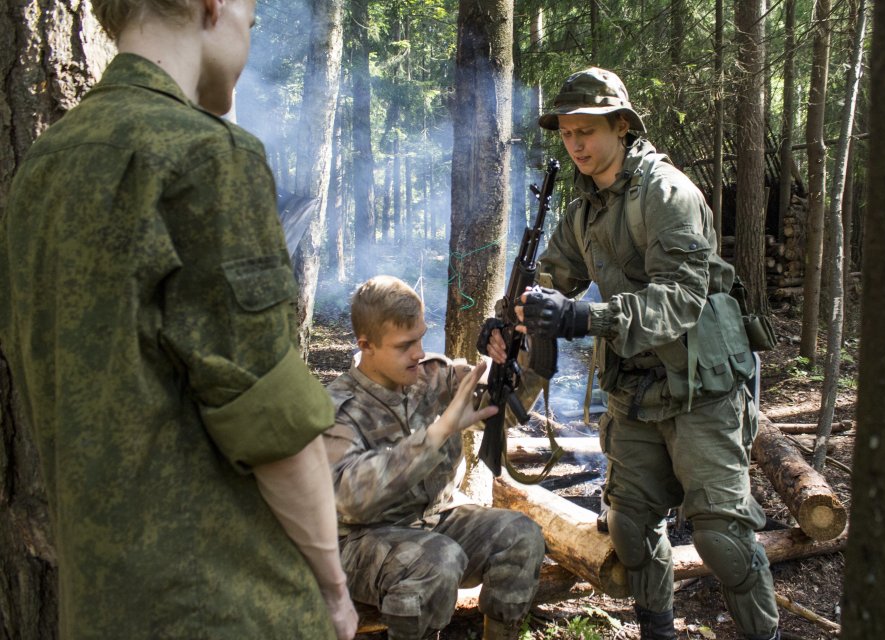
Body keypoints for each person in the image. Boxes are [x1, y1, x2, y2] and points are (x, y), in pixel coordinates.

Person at [0, 1, 357, 638]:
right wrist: (333, 588)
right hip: (227, 601)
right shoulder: (207, 156)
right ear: (211, 5)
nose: (252, 28)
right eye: (252, 11)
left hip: (102, 604)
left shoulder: (44, 166)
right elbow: (268, 416)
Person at [482, 67, 780, 640]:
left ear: (621, 126)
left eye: (586, 131)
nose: (575, 145)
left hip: (703, 385)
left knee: (723, 540)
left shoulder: (668, 194)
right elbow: (549, 278)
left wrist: (583, 317)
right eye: (567, 133)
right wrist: (509, 321)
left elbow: (682, 298)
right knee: (629, 528)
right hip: (637, 386)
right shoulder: (586, 211)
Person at [323, 275, 546, 640]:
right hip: (359, 540)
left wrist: (529, 349)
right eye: (404, 345)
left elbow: (498, 409)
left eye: (421, 338)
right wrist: (435, 436)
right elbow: (353, 502)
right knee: (437, 561)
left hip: (435, 518)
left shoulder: (432, 376)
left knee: (521, 535)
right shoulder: (338, 409)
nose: (418, 352)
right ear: (366, 345)